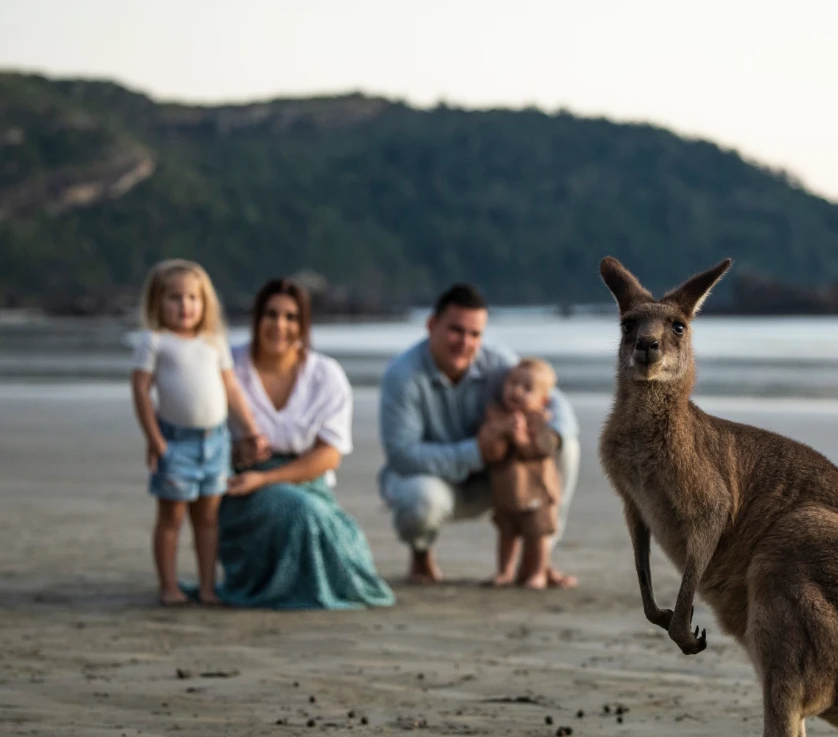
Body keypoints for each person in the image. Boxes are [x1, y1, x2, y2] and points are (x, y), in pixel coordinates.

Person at [378, 283, 579, 586]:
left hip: (496, 480)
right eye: (456, 330)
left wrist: (541, 440)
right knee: (419, 499)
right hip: (436, 482)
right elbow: (402, 456)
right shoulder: (402, 376)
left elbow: (555, 401)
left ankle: (540, 557)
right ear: (432, 325)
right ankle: (421, 556)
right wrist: (477, 450)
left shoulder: (498, 363)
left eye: (475, 334)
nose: (466, 342)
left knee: (564, 446)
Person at [216, 278, 395, 610]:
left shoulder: (326, 375)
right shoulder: (229, 367)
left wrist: (269, 478)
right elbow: (206, 436)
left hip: (308, 483)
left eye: (291, 317)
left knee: (338, 535)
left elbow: (328, 455)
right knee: (300, 512)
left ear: (304, 324)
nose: (279, 326)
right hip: (241, 489)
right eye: (271, 314)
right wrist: (241, 457)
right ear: (256, 317)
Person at [130, 259, 266, 607]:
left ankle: (208, 587)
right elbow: (141, 389)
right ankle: (169, 586)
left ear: (205, 302)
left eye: (193, 297)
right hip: (175, 442)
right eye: (174, 297)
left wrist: (250, 429)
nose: (185, 305)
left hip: (216, 442)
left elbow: (231, 388)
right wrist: (154, 438)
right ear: (157, 302)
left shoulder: (213, 341)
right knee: (171, 518)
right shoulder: (154, 341)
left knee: (207, 520)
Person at [482, 358, 562, 588]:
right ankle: (505, 571)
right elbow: (489, 451)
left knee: (538, 535)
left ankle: (537, 572)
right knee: (507, 534)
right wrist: (500, 434)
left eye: (527, 388)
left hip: (536, 491)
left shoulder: (541, 420)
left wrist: (522, 441)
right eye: (512, 383)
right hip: (507, 492)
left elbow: (545, 449)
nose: (516, 391)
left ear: (543, 400)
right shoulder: (496, 416)